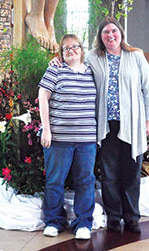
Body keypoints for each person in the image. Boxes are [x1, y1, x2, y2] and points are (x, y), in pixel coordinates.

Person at [50, 17, 149, 233]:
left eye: (114, 31)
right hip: (105, 126)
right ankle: (115, 217)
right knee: (109, 174)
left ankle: (132, 217)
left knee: (131, 172)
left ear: (121, 34)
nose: (110, 35)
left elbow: (148, 89)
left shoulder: (136, 56)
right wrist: (56, 60)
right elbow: (74, 59)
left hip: (132, 125)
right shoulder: (93, 57)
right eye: (106, 32)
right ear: (100, 37)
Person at [38, 34, 97, 239]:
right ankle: (54, 221)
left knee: (85, 181)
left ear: (81, 49)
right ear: (61, 54)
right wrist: (46, 129)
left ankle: (83, 224)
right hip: (59, 139)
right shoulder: (55, 69)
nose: (71, 50)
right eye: (66, 48)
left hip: (87, 139)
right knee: (55, 181)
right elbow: (43, 98)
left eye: (75, 47)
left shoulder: (92, 71)